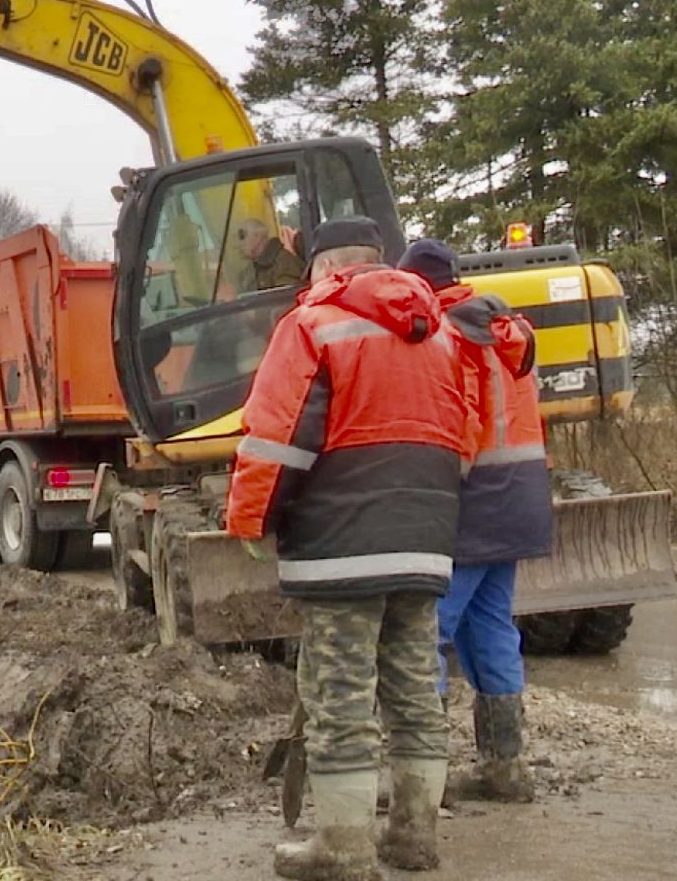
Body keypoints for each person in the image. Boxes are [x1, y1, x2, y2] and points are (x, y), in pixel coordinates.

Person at [225, 217, 472, 878]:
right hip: (424, 544)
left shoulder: (312, 323)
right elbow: (462, 439)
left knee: (338, 695)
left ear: (321, 266)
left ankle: (341, 847)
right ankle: (414, 837)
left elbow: (276, 440)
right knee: (415, 690)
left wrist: (249, 523)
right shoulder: (440, 330)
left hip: (341, 546)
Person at [398, 238, 554, 804]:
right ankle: (505, 769)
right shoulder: (508, 329)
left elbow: (459, 429)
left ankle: (424, 780)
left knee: (426, 633)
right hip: (518, 500)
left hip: (468, 506)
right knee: (488, 627)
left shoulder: (447, 335)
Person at [235, 217, 307, 293]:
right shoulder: (249, 272)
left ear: (258, 236)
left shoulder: (284, 263)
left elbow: (286, 298)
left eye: (242, 236)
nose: (238, 244)